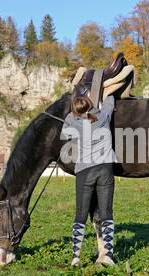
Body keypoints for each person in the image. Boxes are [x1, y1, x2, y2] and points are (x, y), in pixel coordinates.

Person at [61, 95, 117, 266]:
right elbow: (110, 100)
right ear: (91, 105)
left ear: (75, 110)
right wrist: (96, 106)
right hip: (106, 169)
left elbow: (64, 130)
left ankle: (76, 258)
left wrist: (74, 114)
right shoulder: (103, 115)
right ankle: (109, 256)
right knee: (107, 213)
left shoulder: (75, 123)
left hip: (85, 171)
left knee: (80, 215)